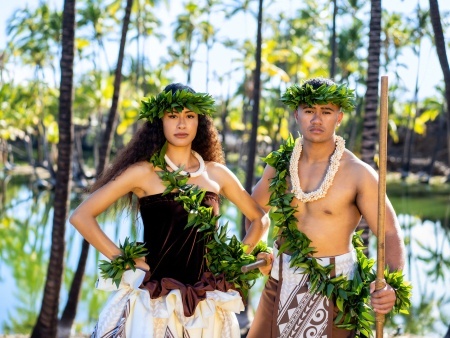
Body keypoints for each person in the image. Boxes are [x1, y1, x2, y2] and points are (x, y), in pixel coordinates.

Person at [69, 83, 270, 338]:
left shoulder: (215, 173)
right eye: (173, 116)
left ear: (200, 122)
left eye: (189, 116)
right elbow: (81, 216)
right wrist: (124, 258)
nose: (182, 124)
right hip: (153, 301)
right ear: (160, 122)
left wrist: (234, 264)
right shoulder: (143, 173)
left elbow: (259, 220)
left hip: (205, 303)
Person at [247, 77, 409, 338]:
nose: (316, 119)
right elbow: (254, 209)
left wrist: (389, 284)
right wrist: (258, 248)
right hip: (279, 282)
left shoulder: (359, 173)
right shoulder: (280, 165)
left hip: (336, 288)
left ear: (339, 117)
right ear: (296, 114)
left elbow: (390, 232)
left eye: (326, 111)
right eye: (310, 110)